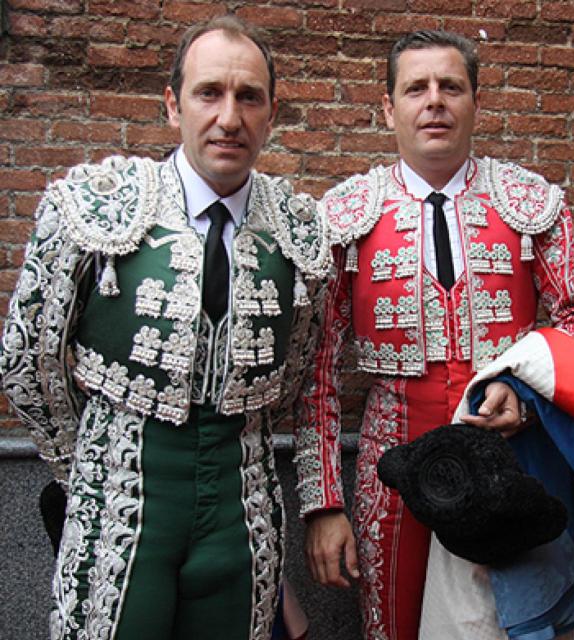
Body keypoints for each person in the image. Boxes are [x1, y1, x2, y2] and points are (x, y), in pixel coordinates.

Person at [0, 15, 330, 640]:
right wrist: (88, 467)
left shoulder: (300, 227)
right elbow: (26, 360)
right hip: (118, 494)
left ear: (272, 114)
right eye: (209, 93)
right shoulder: (96, 202)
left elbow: (295, 371)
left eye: (248, 97)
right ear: (173, 105)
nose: (229, 118)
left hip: (242, 500)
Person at [294, 29, 574, 640]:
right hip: (392, 473)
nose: (434, 101)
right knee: (396, 627)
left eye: (451, 87)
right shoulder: (345, 216)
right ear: (388, 108)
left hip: (514, 455)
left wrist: (525, 388)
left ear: (476, 103)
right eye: (416, 88)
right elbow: (317, 369)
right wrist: (324, 503)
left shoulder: (528, 202)